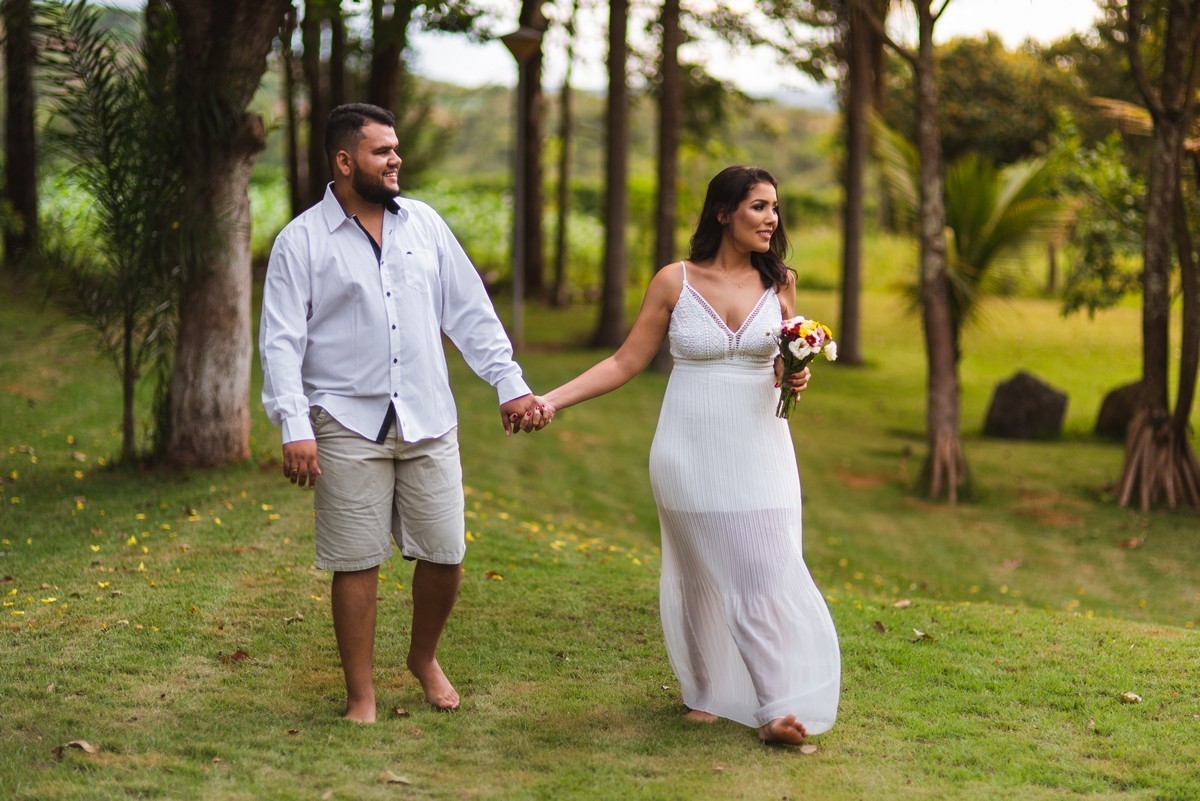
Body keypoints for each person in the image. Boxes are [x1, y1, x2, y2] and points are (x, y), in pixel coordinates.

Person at [532, 165, 840, 745]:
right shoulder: (675, 281)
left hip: (762, 449)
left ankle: (773, 708)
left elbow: (779, 366)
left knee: (763, 567)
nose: (772, 218)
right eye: (758, 206)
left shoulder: (781, 283)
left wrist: (794, 376)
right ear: (723, 212)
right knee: (700, 570)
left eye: (775, 207)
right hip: (688, 447)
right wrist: (551, 399)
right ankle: (705, 690)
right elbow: (625, 362)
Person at [259, 102, 545, 723]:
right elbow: (281, 341)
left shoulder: (425, 225)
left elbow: (470, 312)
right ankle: (360, 694)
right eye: (381, 151)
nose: (396, 160)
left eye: (396, 149)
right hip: (343, 419)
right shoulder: (300, 241)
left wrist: (510, 384)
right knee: (355, 558)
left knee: (445, 551)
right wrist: (294, 425)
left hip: (428, 415)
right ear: (343, 161)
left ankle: (423, 656)